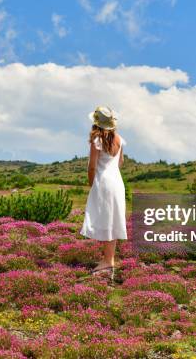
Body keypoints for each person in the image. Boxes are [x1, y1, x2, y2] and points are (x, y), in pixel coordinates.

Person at [80, 106, 127, 278]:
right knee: (113, 219)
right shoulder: (120, 140)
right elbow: (120, 162)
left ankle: (107, 262)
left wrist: (93, 184)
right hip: (117, 182)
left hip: (103, 182)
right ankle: (110, 259)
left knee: (106, 218)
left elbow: (92, 166)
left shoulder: (97, 139)